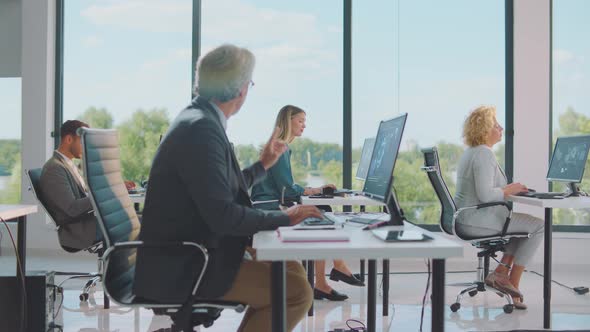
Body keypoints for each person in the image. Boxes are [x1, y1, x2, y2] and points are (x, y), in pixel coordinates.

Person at [133, 44, 321, 332]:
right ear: (241, 90)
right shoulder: (202, 130)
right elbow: (223, 214)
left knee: (291, 268)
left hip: (188, 253)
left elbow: (219, 190)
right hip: (187, 265)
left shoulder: (199, 119)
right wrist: (286, 217)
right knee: (297, 291)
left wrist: (262, 166)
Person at [251, 105, 365, 302]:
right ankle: (332, 273)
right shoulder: (280, 147)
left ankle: (327, 277)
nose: (304, 125)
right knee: (320, 211)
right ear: (289, 121)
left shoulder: (281, 146)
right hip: (268, 209)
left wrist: (313, 190)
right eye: (300, 121)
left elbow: (285, 185)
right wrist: (313, 191)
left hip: (269, 205)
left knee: (321, 209)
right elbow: (286, 190)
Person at [454, 105, 544, 310]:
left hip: (468, 219)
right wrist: (509, 189)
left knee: (523, 229)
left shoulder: (472, 152)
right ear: (486, 129)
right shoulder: (484, 153)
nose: (501, 128)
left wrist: (507, 189)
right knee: (539, 225)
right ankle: (512, 283)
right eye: (496, 125)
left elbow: (484, 190)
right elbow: (486, 195)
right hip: (478, 221)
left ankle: (502, 273)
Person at [39, 120, 102, 250]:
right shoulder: (54, 168)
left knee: (136, 220)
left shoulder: (68, 164)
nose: (86, 146)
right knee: (135, 226)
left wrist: (107, 187)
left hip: (88, 221)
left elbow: (85, 193)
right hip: (79, 230)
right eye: (82, 141)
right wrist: (101, 195)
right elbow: (72, 208)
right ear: (69, 139)